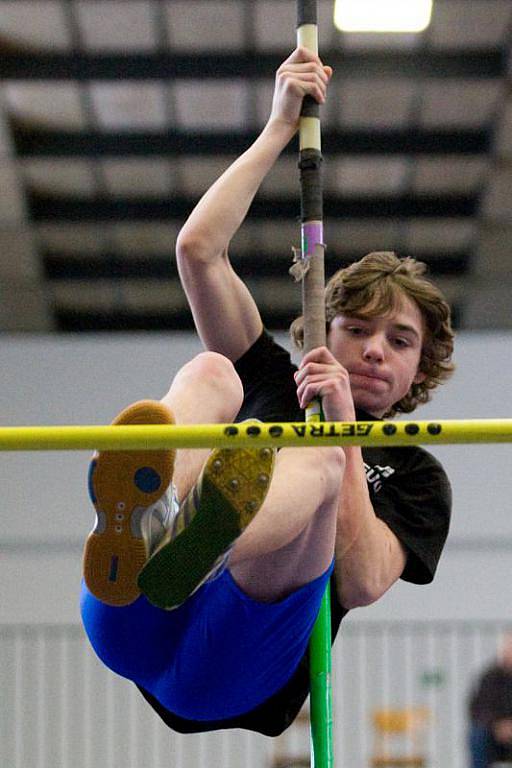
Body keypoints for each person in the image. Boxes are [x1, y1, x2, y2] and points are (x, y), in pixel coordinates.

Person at [80, 47, 455, 736]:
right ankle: (157, 523)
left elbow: (366, 580)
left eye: (399, 341)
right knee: (211, 372)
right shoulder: (268, 378)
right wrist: (279, 126)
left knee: (313, 461)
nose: (374, 349)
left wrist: (341, 431)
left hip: (231, 668)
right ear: (323, 330)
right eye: (358, 329)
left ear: (419, 369)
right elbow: (197, 251)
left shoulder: (417, 474)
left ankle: (208, 545)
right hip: (128, 605)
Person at [468, 633, 512, 767]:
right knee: (477, 734)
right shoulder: (490, 677)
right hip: (495, 735)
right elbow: (478, 708)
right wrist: (497, 724)